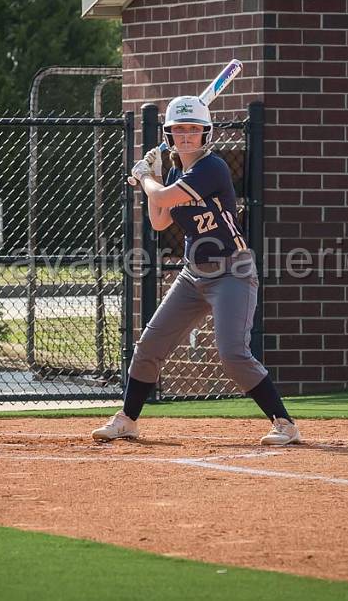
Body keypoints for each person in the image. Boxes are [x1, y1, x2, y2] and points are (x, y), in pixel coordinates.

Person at [92, 96, 300, 445]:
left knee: (233, 353)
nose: (186, 136)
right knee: (149, 346)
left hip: (233, 271)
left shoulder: (211, 168)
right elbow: (159, 221)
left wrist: (144, 176)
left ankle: (285, 423)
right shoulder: (175, 173)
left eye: (193, 129)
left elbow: (164, 198)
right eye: (179, 130)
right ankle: (127, 419)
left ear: (206, 133)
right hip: (193, 275)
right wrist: (154, 176)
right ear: (169, 134)